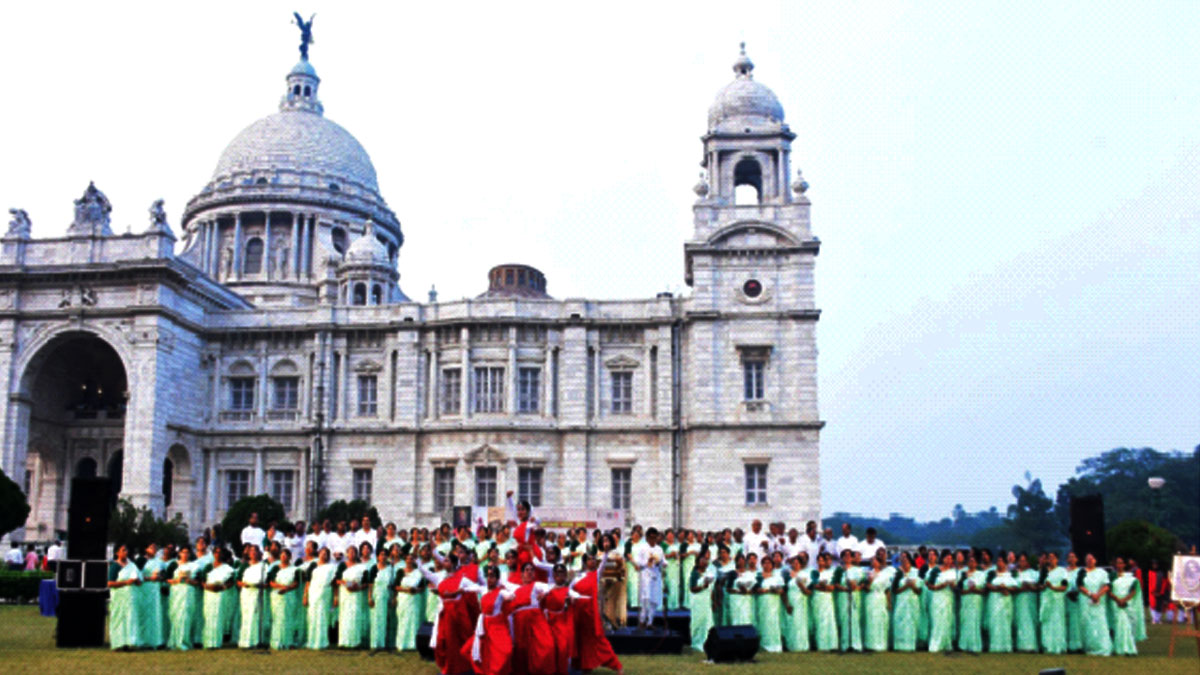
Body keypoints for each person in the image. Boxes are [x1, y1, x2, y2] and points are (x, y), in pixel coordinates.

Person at [571, 552, 625, 672]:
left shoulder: (596, 575)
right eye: (590, 559)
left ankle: (616, 665)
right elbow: (569, 590)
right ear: (585, 562)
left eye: (594, 559)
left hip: (590, 610)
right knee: (581, 640)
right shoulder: (577, 577)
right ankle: (585, 666)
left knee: (598, 639)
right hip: (578, 610)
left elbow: (604, 563)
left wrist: (606, 551)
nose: (593, 561)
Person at [463, 564, 516, 675]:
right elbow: (469, 587)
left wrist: (506, 588)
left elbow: (510, 596)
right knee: (472, 650)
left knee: (506, 650)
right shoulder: (483, 590)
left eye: (492, 576)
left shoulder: (501, 592)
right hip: (484, 625)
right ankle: (486, 671)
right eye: (488, 576)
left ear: (497, 579)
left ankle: (495, 671)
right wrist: (460, 589)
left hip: (497, 625)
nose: (489, 579)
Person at [508, 561, 557, 675]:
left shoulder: (537, 585)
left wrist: (544, 593)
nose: (529, 572)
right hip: (519, 622)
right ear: (522, 574)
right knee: (522, 651)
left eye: (532, 570)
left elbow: (552, 587)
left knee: (546, 646)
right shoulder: (515, 589)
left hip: (535, 620)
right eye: (527, 570)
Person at [543, 563, 588, 673]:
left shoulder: (568, 590)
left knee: (563, 648)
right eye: (557, 573)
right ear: (553, 575)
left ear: (565, 575)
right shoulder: (546, 588)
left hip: (561, 622)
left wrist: (573, 600)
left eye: (562, 573)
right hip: (547, 622)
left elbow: (577, 596)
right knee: (549, 648)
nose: (559, 575)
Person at [107, 544, 143, 650]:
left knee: (130, 619)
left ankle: (129, 642)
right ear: (117, 553)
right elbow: (110, 583)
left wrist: (136, 581)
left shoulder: (132, 565)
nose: (125, 552)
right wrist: (126, 582)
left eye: (126, 550)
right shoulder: (115, 566)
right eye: (123, 550)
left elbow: (140, 582)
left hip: (130, 598)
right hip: (119, 598)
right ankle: (118, 643)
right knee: (119, 619)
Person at [265, 548, 301, 650]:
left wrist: (287, 588)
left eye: (286, 555)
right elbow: (271, 582)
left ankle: (288, 641)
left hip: (289, 595)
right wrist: (281, 587)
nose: (284, 557)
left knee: (288, 617)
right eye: (282, 555)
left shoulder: (294, 569)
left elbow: (296, 583)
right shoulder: (275, 568)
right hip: (277, 595)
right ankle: (277, 640)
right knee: (278, 617)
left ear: (290, 557)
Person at [335, 545, 369, 648]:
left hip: (356, 594)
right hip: (345, 593)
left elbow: (366, 582)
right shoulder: (342, 565)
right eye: (350, 552)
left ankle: (355, 641)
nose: (352, 554)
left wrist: (357, 588)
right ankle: (344, 641)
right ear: (347, 554)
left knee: (355, 616)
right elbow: (337, 579)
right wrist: (348, 584)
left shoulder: (362, 567)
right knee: (345, 616)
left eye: (354, 552)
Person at [200, 548, 235, 649]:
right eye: (216, 552)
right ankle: (207, 642)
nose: (218, 554)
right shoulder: (208, 567)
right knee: (208, 616)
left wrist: (221, 587)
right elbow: (202, 580)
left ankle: (216, 642)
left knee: (218, 616)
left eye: (220, 552)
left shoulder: (227, 568)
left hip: (220, 593)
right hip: (209, 593)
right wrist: (208, 587)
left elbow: (230, 582)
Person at [1079, 552, 1113, 656]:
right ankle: (1090, 647)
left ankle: (1103, 647)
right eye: (1087, 559)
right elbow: (1079, 585)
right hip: (1086, 601)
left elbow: (1107, 585)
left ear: (1095, 560)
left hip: (1099, 602)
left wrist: (1097, 595)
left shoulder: (1101, 572)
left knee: (1100, 623)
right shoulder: (1082, 572)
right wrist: (1090, 594)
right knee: (1088, 623)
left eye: (1091, 559)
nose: (1089, 561)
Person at [303, 547, 337, 650]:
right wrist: (305, 595)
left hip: (325, 593)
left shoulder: (332, 567)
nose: (323, 555)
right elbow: (308, 582)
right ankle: (311, 641)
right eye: (321, 553)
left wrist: (336, 597)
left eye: (326, 553)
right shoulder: (313, 565)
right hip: (313, 593)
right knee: (312, 616)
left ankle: (322, 641)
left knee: (322, 617)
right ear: (318, 554)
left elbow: (334, 583)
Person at [236, 544, 268, 648]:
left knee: (255, 615)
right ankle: (245, 640)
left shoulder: (263, 566)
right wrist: (244, 584)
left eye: (255, 551)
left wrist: (259, 585)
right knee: (246, 616)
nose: (253, 553)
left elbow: (266, 580)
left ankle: (256, 640)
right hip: (246, 593)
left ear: (259, 553)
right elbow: (238, 581)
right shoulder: (244, 566)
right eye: (251, 551)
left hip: (257, 592)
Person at [926, 551, 957, 653]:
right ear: (942, 559)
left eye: (950, 558)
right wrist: (940, 586)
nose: (948, 560)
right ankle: (935, 644)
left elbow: (955, 588)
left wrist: (952, 586)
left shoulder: (953, 572)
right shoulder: (936, 570)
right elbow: (929, 585)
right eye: (946, 558)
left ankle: (945, 643)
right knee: (937, 620)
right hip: (938, 597)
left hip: (948, 598)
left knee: (947, 620)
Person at [633, 527, 664, 630]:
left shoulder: (659, 549)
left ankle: (650, 621)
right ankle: (642, 620)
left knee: (654, 600)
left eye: (655, 538)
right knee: (646, 598)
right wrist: (647, 562)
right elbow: (637, 561)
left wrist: (659, 562)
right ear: (646, 538)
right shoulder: (642, 548)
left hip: (656, 575)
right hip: (646, 575)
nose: (653, 540)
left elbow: (664, 561)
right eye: (651, 538)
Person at [753, 556, 785, 652]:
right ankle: (764, 645)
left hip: (774, 603)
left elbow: (781, 590)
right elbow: (756, 589)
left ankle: (775, 645)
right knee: (763, 621)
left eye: (769, 563)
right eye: (765, 563)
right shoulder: (758, 576)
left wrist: (773, 590)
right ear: (762, 565)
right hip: (762, 602)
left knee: (773, 622)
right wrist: (767, 590)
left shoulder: (777, 577)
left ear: (772, 565)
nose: (767, 565)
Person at [863, 554, 895, 652]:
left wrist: (889, 603)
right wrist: (869, 581)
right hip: (871, 597)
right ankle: (871, 644)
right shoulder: (868, 573)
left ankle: (881, 644)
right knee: (871, 619)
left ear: (880, 563)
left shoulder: (885, 574)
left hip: (881, 597)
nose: (874, 562)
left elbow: (887, 590)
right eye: (872, 561)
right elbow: (866, 589)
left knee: (881, 619)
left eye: (876, 561)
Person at [891, 551, 922, 652]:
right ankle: (900, 645)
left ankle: (911, 644)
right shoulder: (898, 572)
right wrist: (905, 586)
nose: (905, 562)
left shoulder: (916, 572)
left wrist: (912, 586)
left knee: (912, 621)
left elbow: (919, 591)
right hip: (901, 600)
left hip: (913, 600)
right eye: (902, 560)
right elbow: (894, 590)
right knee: (900, 621)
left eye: (907, 560)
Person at [1108, 556, 1139, 655]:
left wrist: (1124, 600)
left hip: (1125, 603)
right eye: (1117, 563)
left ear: (1125, 565)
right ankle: (1116, 647)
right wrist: (1117, 599)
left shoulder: (1130, 577)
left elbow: (1134, 591)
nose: (1119, 565)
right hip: (1114, 602)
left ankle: (1127, 647)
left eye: (1121, 563)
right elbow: (1108, 589)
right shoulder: (1111, 576)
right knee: (1116, 625)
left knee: (1127, 625)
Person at [1039, 551, 1068, 654]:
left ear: (1057, 559)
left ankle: (1058, 646)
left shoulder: (1062, 571)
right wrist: (1045, 586)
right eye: (1049, 558)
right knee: (1047, 622)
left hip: (1057, 600)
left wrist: (1053, 587)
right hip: (1046, 599)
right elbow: (1040, 586)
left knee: (1057, 621)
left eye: (1053, 557)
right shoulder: (1044, 571)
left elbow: (1064, 587)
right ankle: (1047, 646)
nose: (1051, 560)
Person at [783, 554, 812, 652]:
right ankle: (791, 645)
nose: (795, 565)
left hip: (801, 601)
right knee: (791, 623)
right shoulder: (788, 575)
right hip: (791, 600)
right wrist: (787, 604)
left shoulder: (805, 575)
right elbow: (785, 591)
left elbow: (808, 591)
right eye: (793, 563)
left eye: (797, 563)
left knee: (800, 623)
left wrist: (800, 585)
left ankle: (801, 646)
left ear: (801, 564)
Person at [367, 547, 394, 650]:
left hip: (386, 595)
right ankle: (374, 643)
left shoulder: (390, 569)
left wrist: (392, 598)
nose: (383, 557)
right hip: (375, 595)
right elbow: (370, 584)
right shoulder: (374, 568)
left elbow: (392, 584)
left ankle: (382, 643)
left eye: (385, 555)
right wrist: (370, 597)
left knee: (384, 620)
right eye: (381, 554)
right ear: (378, 556)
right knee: (375, 619)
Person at [811, 552, 839, 651]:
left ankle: (831, 644)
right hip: (817, 598)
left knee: (828, 619)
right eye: (819, 560)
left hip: (827, 598)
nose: (821, 562)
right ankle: (821, 644)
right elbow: (814, 586)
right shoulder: (814, 572)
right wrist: (823, 587)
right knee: (819, 620)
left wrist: (822, 587)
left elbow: (831, 588)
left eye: (823, 560)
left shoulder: (830, 573)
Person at [957, 554, 985, 653]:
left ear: (977, 563)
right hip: (966, 599)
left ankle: (975, 645)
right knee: (965, 621)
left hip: (976, 600)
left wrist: (975, 589)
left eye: (973, 561)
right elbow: (959, 589)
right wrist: (968, 591)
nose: (971, 563)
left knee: (974, 621)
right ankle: (963, 645)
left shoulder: (981, 574)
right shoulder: (963, 574)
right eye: (969, 561)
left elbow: (983, 589)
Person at [987, 560, 1017, 652]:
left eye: (1001, 561)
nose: (999, 563)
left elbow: (1015, 587)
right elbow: (988, 585)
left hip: (1006, 600)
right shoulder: (992, 573)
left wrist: (1006, 588)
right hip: (995, 599)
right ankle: (995, 646)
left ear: (1005, 564)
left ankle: (1006, 646)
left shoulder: (1010, 574)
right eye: (998, 561)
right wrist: (998, 588)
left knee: (1005, 621)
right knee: (995, 621)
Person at [599, 534, 626, 629]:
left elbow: (621, 569)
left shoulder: (617, 553)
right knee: (602, 605)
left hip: (614, 583)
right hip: (602, 583)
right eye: (604, 541)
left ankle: (614, 623)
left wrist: (616, 578)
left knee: (613, 606)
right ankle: (604, 624)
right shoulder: (599, 554)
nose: (606, 543)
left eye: (608, 541)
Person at [662, 529, 681, 612]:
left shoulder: (676, 545)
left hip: (674, 568)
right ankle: (662, 605)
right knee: (665, 585)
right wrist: (669, 555)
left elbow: (679, 556)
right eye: (668, 535)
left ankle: (674, 605)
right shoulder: (663, 545)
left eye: (672, 535)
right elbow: (660, 555)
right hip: (666, 567)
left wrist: (676, 556)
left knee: (674, 586)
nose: (670, 537)